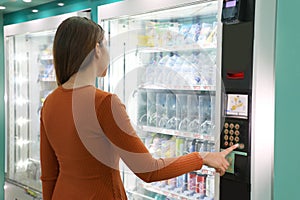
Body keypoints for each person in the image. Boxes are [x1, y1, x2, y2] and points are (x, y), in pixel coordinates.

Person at [40, 16, 238, 200]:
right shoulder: (104, 103)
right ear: (97, 49)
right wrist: (202, 157)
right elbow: (149, 170)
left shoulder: (50, 102)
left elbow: (49, 176)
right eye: (106, 45)